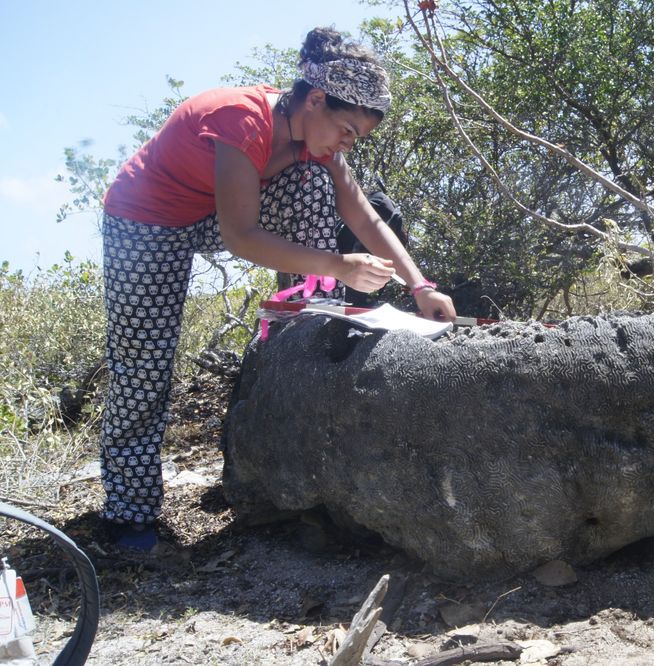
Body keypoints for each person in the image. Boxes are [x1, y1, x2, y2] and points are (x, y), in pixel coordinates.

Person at [99, 26, 456, 552]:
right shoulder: (240, 120)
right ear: (316, 100)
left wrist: (420, 284)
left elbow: (362, 215)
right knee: (144, 365)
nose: (348, 143)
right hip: (146, 221)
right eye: (348, 130)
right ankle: (128, 515)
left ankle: (302, 326)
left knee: (316, 181)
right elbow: (240, 236)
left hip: (213, 212)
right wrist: (340, 264)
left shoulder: (315, 141)